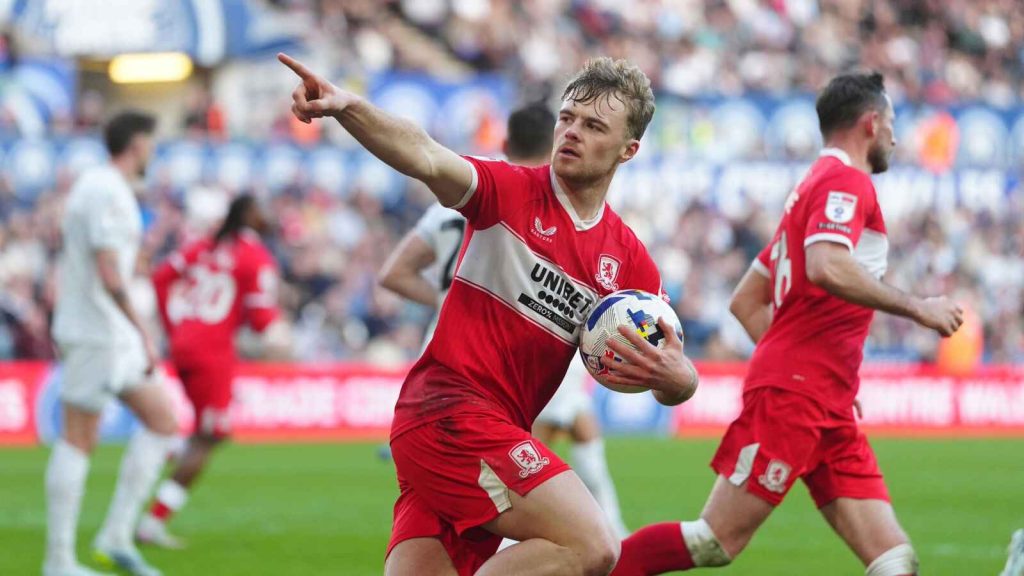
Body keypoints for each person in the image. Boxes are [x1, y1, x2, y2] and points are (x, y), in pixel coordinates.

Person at [280, 52, 699, 576]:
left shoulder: (629, 259)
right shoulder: (509, 192)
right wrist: (348, 107)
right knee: (593, 545)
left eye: (594, 126)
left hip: (477, 429)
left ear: (628, 149)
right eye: (567, 118)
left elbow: (671, 373)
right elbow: (426, 156)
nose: (571, 132)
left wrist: (680, 380)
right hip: (451, 413)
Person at [610, 71, 964, 576]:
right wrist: (918, 307)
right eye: (890, 123)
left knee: (893, 557)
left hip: (824, 396)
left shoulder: (808, 191)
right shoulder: (845, 182)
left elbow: (746, 301)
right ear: (870, 123)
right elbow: (826, 265)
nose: (894, 136)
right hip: (800, 395)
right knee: (714, 541)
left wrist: (808, 369)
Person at [378, 102, 631, 539]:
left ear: (506, 142)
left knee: (572, 431)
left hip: (448, 351)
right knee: (533, 470)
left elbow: (393, 274)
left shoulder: (459, 196)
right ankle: (586, 537)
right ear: (553, 142)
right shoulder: (534, 201)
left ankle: (604, 530)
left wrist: (448, 295)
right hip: (517, 348)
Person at [46, 111, 177, 576]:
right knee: (78, 437)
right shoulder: (103, 188)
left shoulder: (109, 188)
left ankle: (116, 536)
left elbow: (112, 261)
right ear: (137, 143)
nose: (153, 152)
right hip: (96, 331)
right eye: (152, 143)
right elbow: (107, 271)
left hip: (112, 333)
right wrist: (144, 329)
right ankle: (58, 560)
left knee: (163, 421)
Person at [136, 194, 283, 548]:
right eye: (262, 210)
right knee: (210, 435)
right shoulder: (255, 256)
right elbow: (261, 319)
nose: (268, 215)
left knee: (208, 431)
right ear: (250, 216)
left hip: (183, 344)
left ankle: (170, 449)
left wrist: (173, 327)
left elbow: (161, 277)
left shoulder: (204, 245)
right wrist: (275, 332)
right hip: (212, 353)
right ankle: (152, 521)